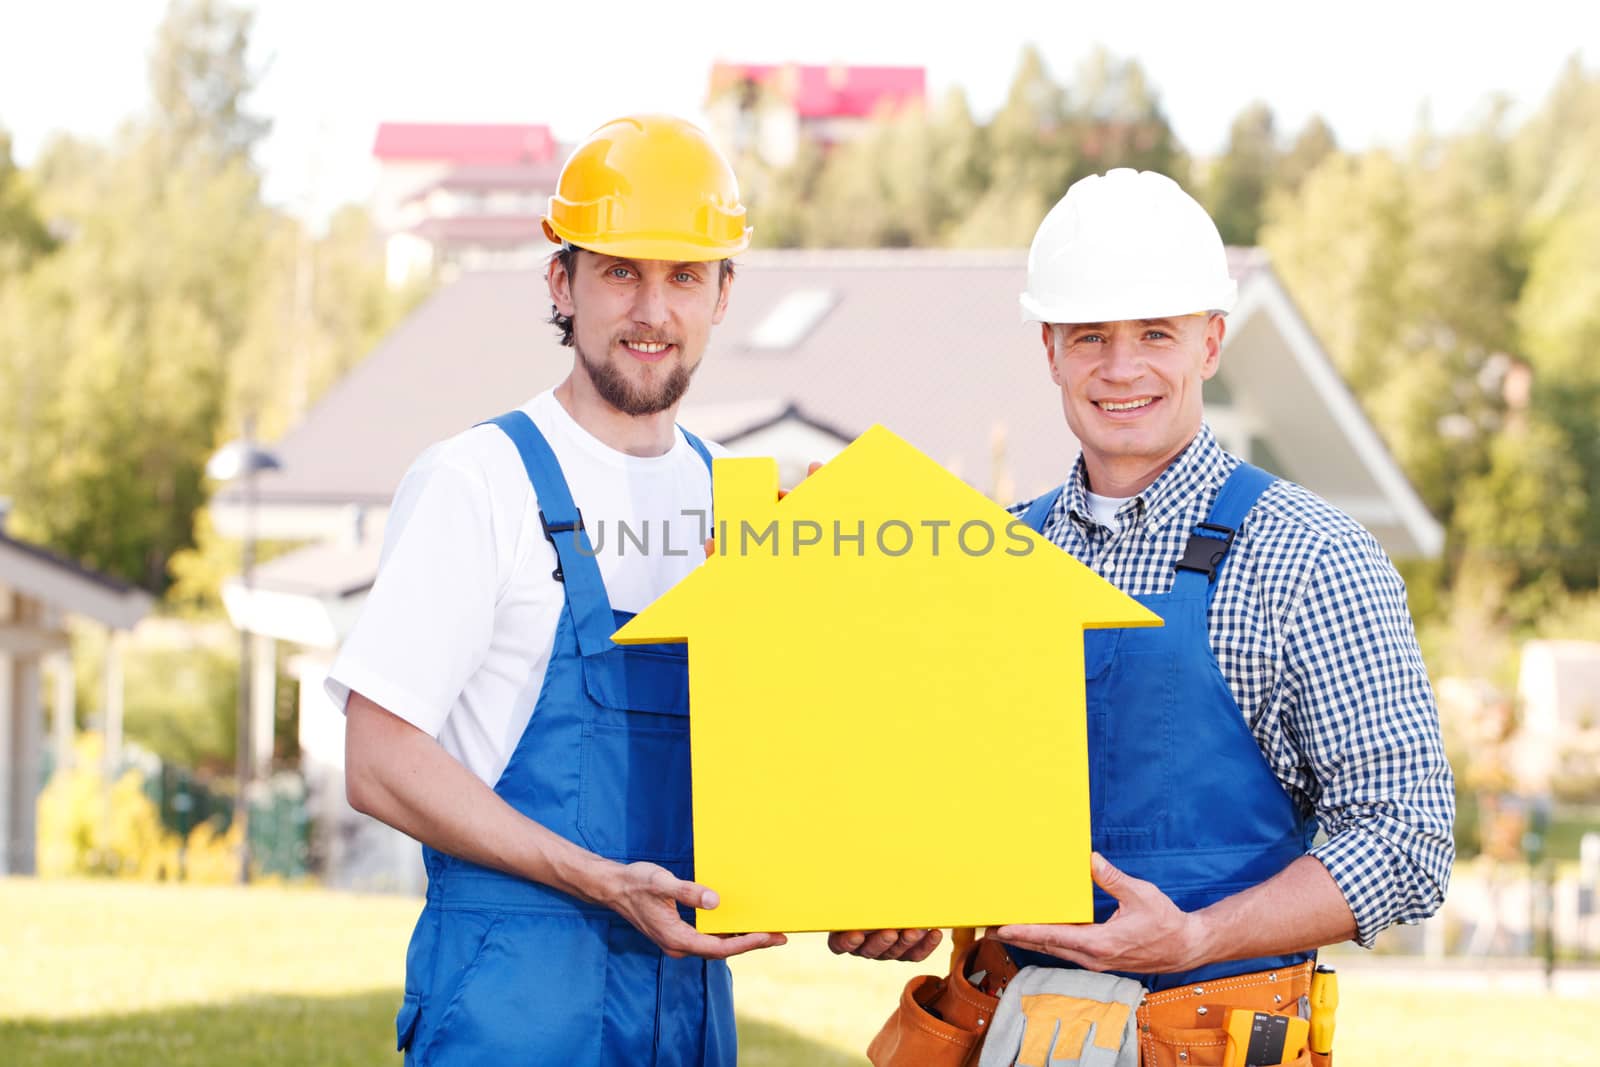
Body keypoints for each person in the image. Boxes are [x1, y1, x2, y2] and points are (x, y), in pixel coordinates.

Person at [840, 169, 1455, 1059]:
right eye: (1090, 335)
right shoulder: (992, 555)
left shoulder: (1313, 558)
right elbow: (953, 804)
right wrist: (902, 898)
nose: (1121, 367)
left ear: (1210, 341)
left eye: (1155, 333)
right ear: (1048, 347)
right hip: (1011, 1031)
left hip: (1206, 1034)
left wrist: (1197, 937)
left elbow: (1406, 837)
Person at [335, 114, 783, 1067]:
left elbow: (790, 759)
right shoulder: (478, 481)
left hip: (688, 1012)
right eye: (621, 270)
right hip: (514, 1009)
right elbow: (376, 758)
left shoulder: (738, 505)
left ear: (724, 294)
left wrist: (883, 894)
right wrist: (596, 877)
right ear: (561, 282)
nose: (651, 309)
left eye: (684, 275)